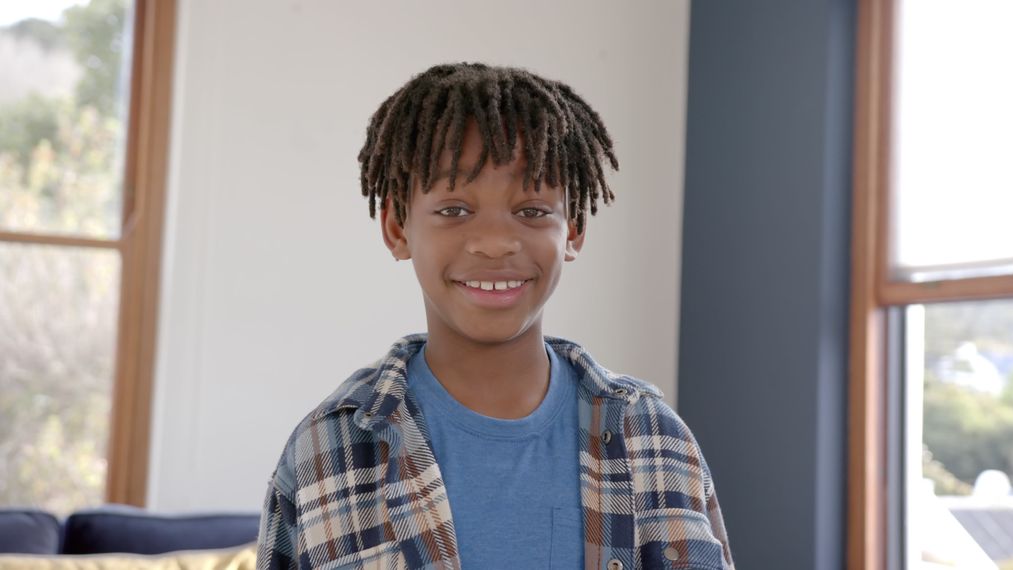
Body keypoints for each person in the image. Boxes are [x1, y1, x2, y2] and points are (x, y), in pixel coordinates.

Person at [256, 62, 735, 570]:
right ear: (398, 228)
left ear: (573, 230)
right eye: (454, 210)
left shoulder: (654, 438)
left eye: (531, 211)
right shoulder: (325, 450)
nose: (495, 243)